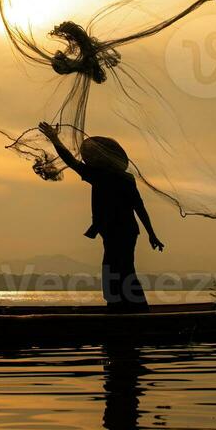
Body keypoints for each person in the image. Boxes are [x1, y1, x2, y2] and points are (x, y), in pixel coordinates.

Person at [38, 122, 164, 310]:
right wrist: (151, 234)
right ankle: (128, 309)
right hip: (126, 232)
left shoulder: (100, 176)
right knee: (121, 269)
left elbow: (70, 160)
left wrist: (54, 138)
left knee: (118, 270)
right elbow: (140, 208)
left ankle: (129, 311)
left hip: (120, 231)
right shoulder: (121, 178)